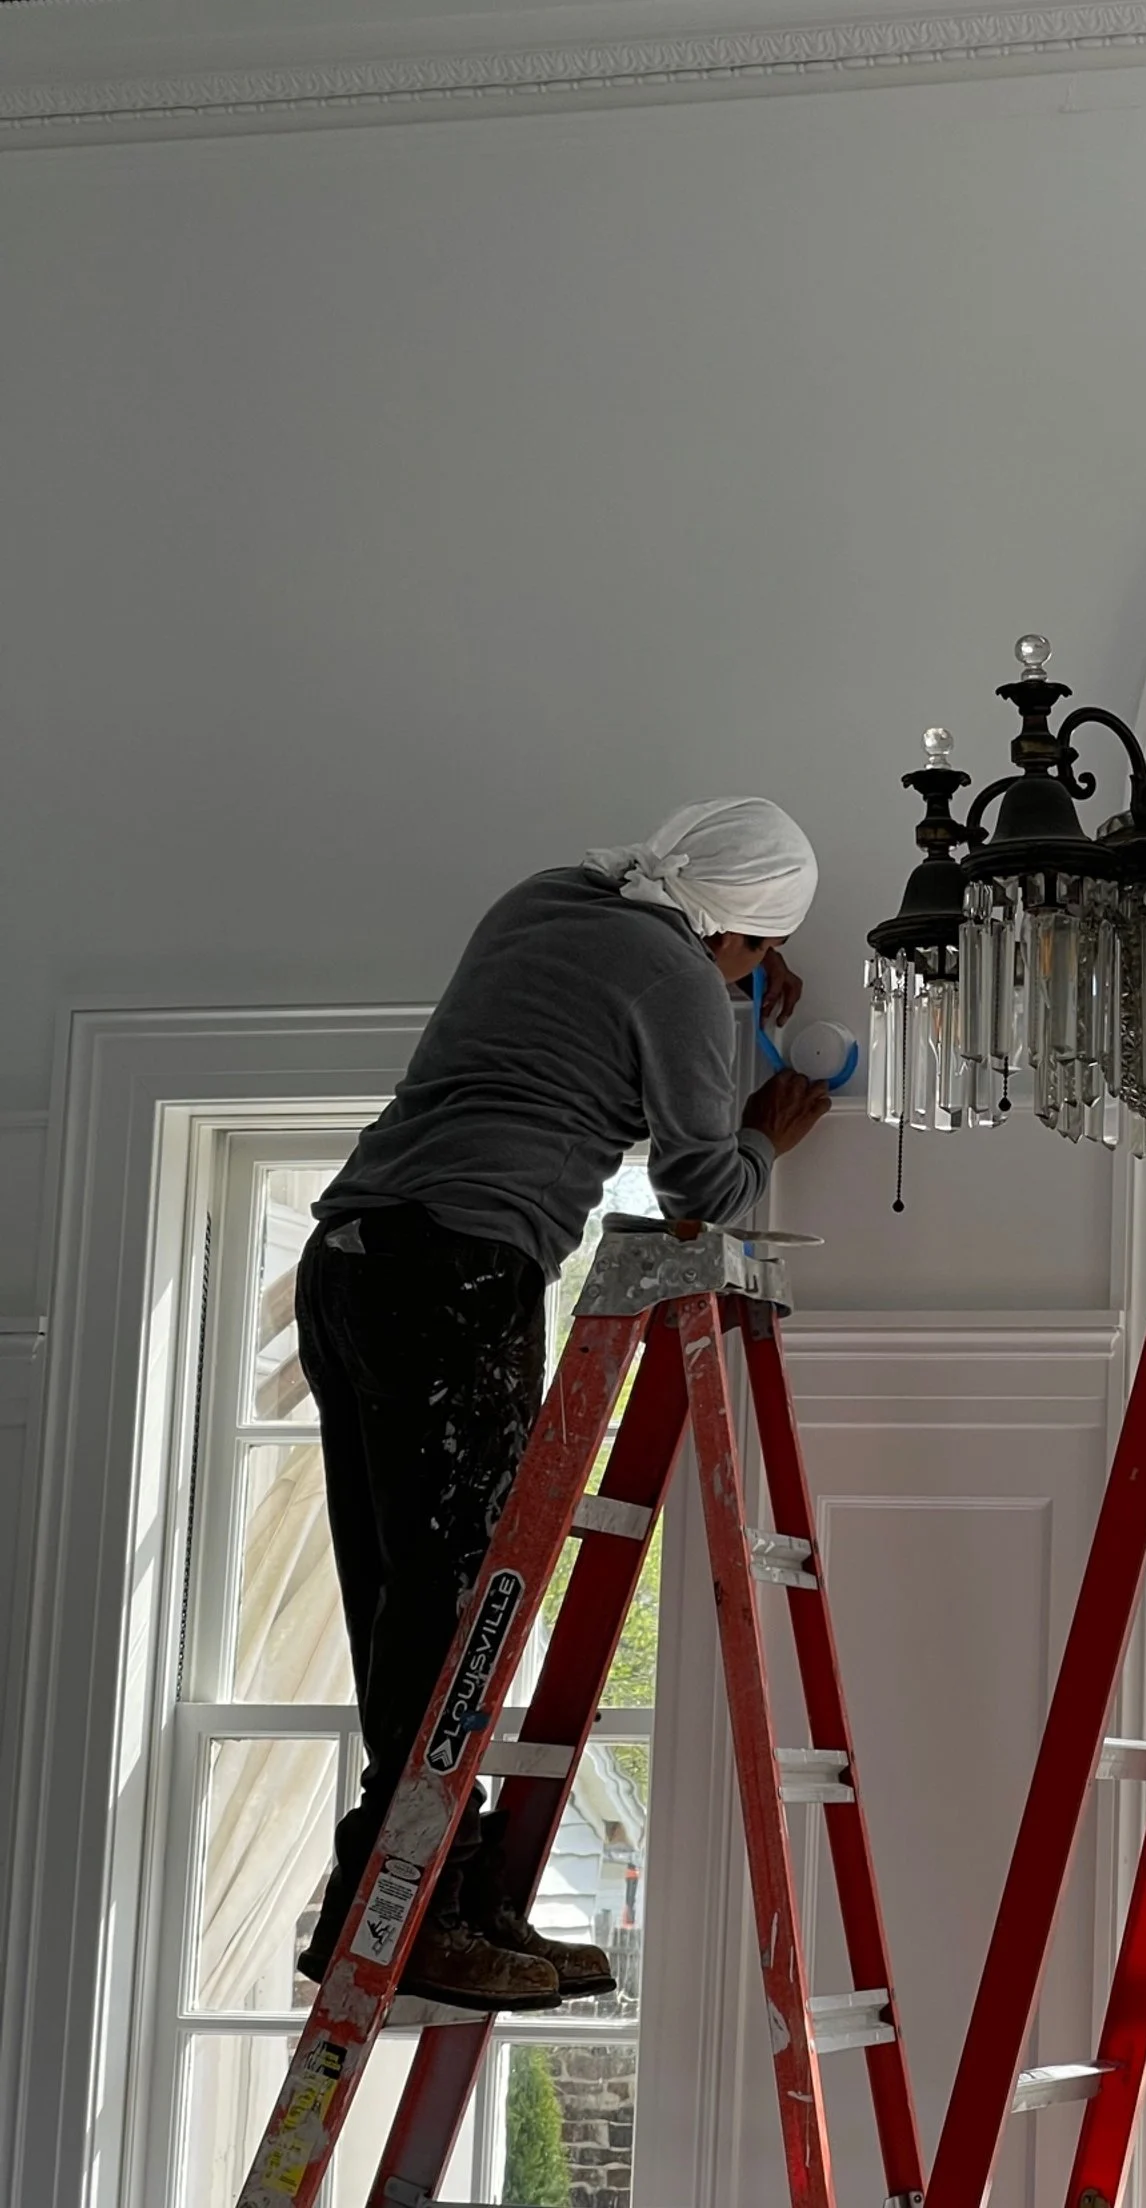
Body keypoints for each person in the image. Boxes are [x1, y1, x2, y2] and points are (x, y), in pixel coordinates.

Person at [294, 797, 831, 2012]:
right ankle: (404, 1917)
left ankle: (430, 1901)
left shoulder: (547, 895)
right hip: (458, 1272)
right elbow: (704, 1186)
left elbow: (618, 990)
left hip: (348, 1265)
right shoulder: (686, 988)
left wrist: (726, 977)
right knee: (458, 1606)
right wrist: (765, 1125)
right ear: (741, 932)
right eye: (753, 950)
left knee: (400, 1589)